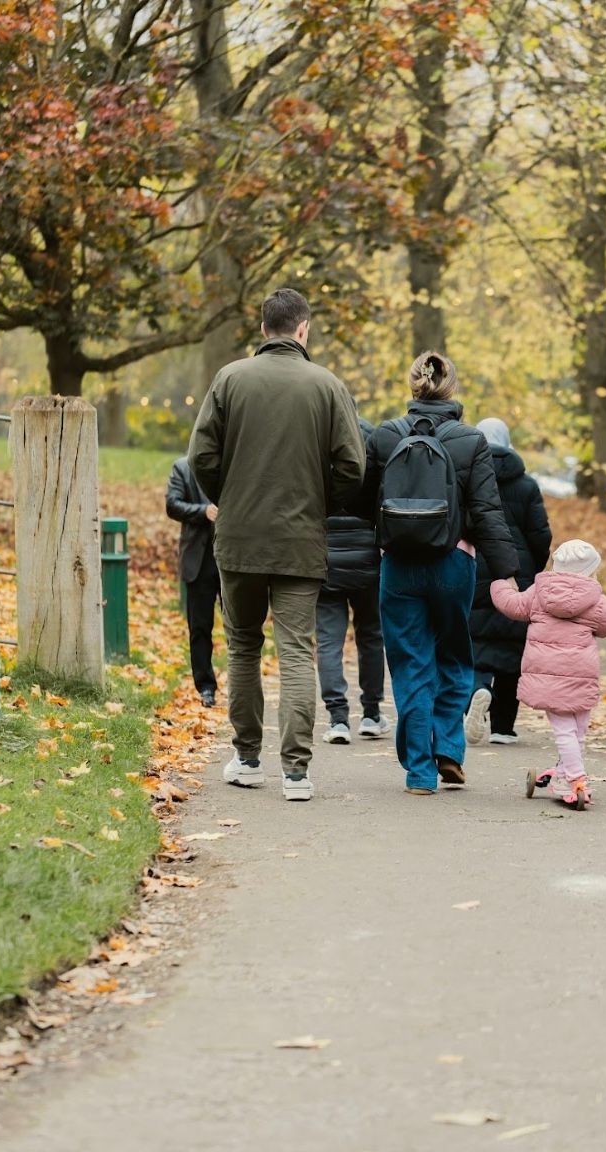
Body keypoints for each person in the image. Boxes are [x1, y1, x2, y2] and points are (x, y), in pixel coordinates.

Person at [188, 288, 366, 801]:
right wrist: (319, 502)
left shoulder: (229, 378)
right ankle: (296, 772)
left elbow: (201, 456)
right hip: (299, 540)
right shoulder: (328, 386)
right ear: (303, 329)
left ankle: (247, 759)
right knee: (295, 651)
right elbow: (352, 466)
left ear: (264, 328)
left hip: (239, 538)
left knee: (244, 645)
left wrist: (230, 497)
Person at [363, 351, 518, 795]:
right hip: (454, 563)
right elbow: (487, 512)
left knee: (411, 664)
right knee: (453, 655)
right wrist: (506, 571)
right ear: (452, 388)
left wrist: (388, 532)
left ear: (413, 385)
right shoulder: (471, 440)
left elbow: (362, 499)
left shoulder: (386, 436)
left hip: (399, 565)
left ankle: (418, 771)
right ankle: (448, 747)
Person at [490, 539, 606, 806]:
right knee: (577, 729)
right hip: (581, 675)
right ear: (591, 570)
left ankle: (569, 775)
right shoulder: (596, 600)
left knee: (564, 730)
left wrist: (500, 583)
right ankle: (572, 775)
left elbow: (512, 605)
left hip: (547, 676)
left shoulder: (539, 592)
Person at [465, 417, 551, 746]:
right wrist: (532, 571)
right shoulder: (526, 485)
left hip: (476, 565)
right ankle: (503, 727)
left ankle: (477, 689)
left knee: (474, 641)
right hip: (517, 569)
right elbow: (540, 535)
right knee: (512, 648)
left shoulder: (468, 479)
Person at [317, 414, 390, 744]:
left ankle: (337, 718)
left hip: (327, 560)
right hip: (367, 561)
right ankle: (371, 714)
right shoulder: (373, 446)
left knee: (328, 641)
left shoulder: (321, 447)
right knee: (371, 636)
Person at [165, 457, 220, 707]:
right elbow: (172, 505)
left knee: (239, 627)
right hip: (198, 560)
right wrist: (202, 511)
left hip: (232, 558)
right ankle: (205, 687)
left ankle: (243, 687)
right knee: (199, 627)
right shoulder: (183, 468)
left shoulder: (232, 461)